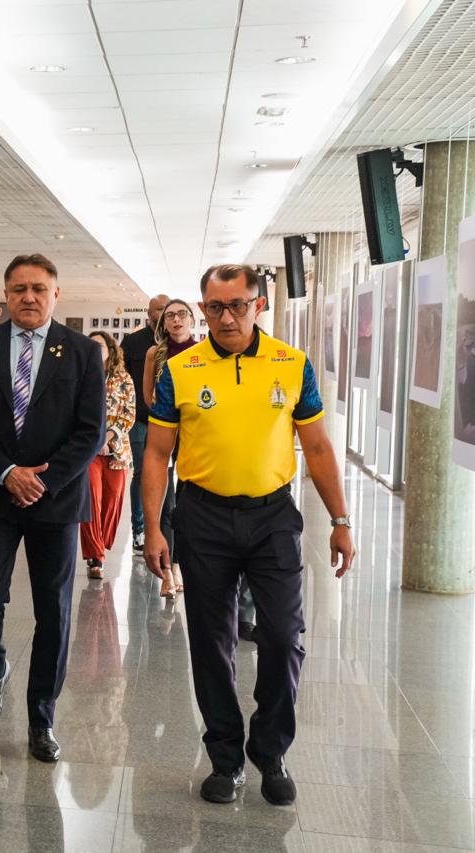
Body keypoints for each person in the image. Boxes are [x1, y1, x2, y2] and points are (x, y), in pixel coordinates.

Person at [143, 263, 355, 807]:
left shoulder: (291, 364)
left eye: (238, 305)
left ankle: (272, 749)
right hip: (203, 517)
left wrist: (340, 520)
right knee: (211, 643)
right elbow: (158, 453)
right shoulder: (180, 368)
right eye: (215, 307)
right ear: (202, 309)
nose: (226, 317)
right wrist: (152, 528)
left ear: (259, 306)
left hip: (273, 517)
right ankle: (225, 757)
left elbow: (320, 448)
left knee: (283, 636)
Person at [0, 253, 105, 764]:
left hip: (55, 501)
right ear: (3, 295)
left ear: (55, 294)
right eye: (18, 289)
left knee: (54, 612)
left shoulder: (83, 352)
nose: (28, 297)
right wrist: (6, 473)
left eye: (39, 288)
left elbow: (91, 431)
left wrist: (42, 482)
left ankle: (42, 716)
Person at [143, 298, 197, 599]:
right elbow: (150, 396)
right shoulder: (155, 353)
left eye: (182, 315)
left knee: (187, 501)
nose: (176, 320)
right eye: (170, 316)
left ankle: (179, 565)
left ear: (191, 319)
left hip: (193, 435)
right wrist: (168, 421)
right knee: (166, 502)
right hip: (164, 432)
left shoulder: (202, 351)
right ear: (163, 323)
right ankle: (166, 572)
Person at [81, 331, 135, 579]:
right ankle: (96, 557)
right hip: (88, 451)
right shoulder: (81, 376)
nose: (94, 348)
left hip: (117, 452)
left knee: (112, 502)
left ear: (110, 350)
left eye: (99, 345)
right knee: (92, 500)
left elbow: (128, 413)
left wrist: (109, 436)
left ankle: (101, 546)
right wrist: (95, 439)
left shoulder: (124, 378)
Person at [120, 294, 170, 549]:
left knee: (169, 473)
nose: (162, 314)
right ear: (149, 313)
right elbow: (122, 379)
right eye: (157, 309)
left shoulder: (178, 343)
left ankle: (166, 530)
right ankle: (139, 529)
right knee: (141, 473)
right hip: (140, 418)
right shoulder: (132, 342)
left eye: (166, 309)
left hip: (172, 421)